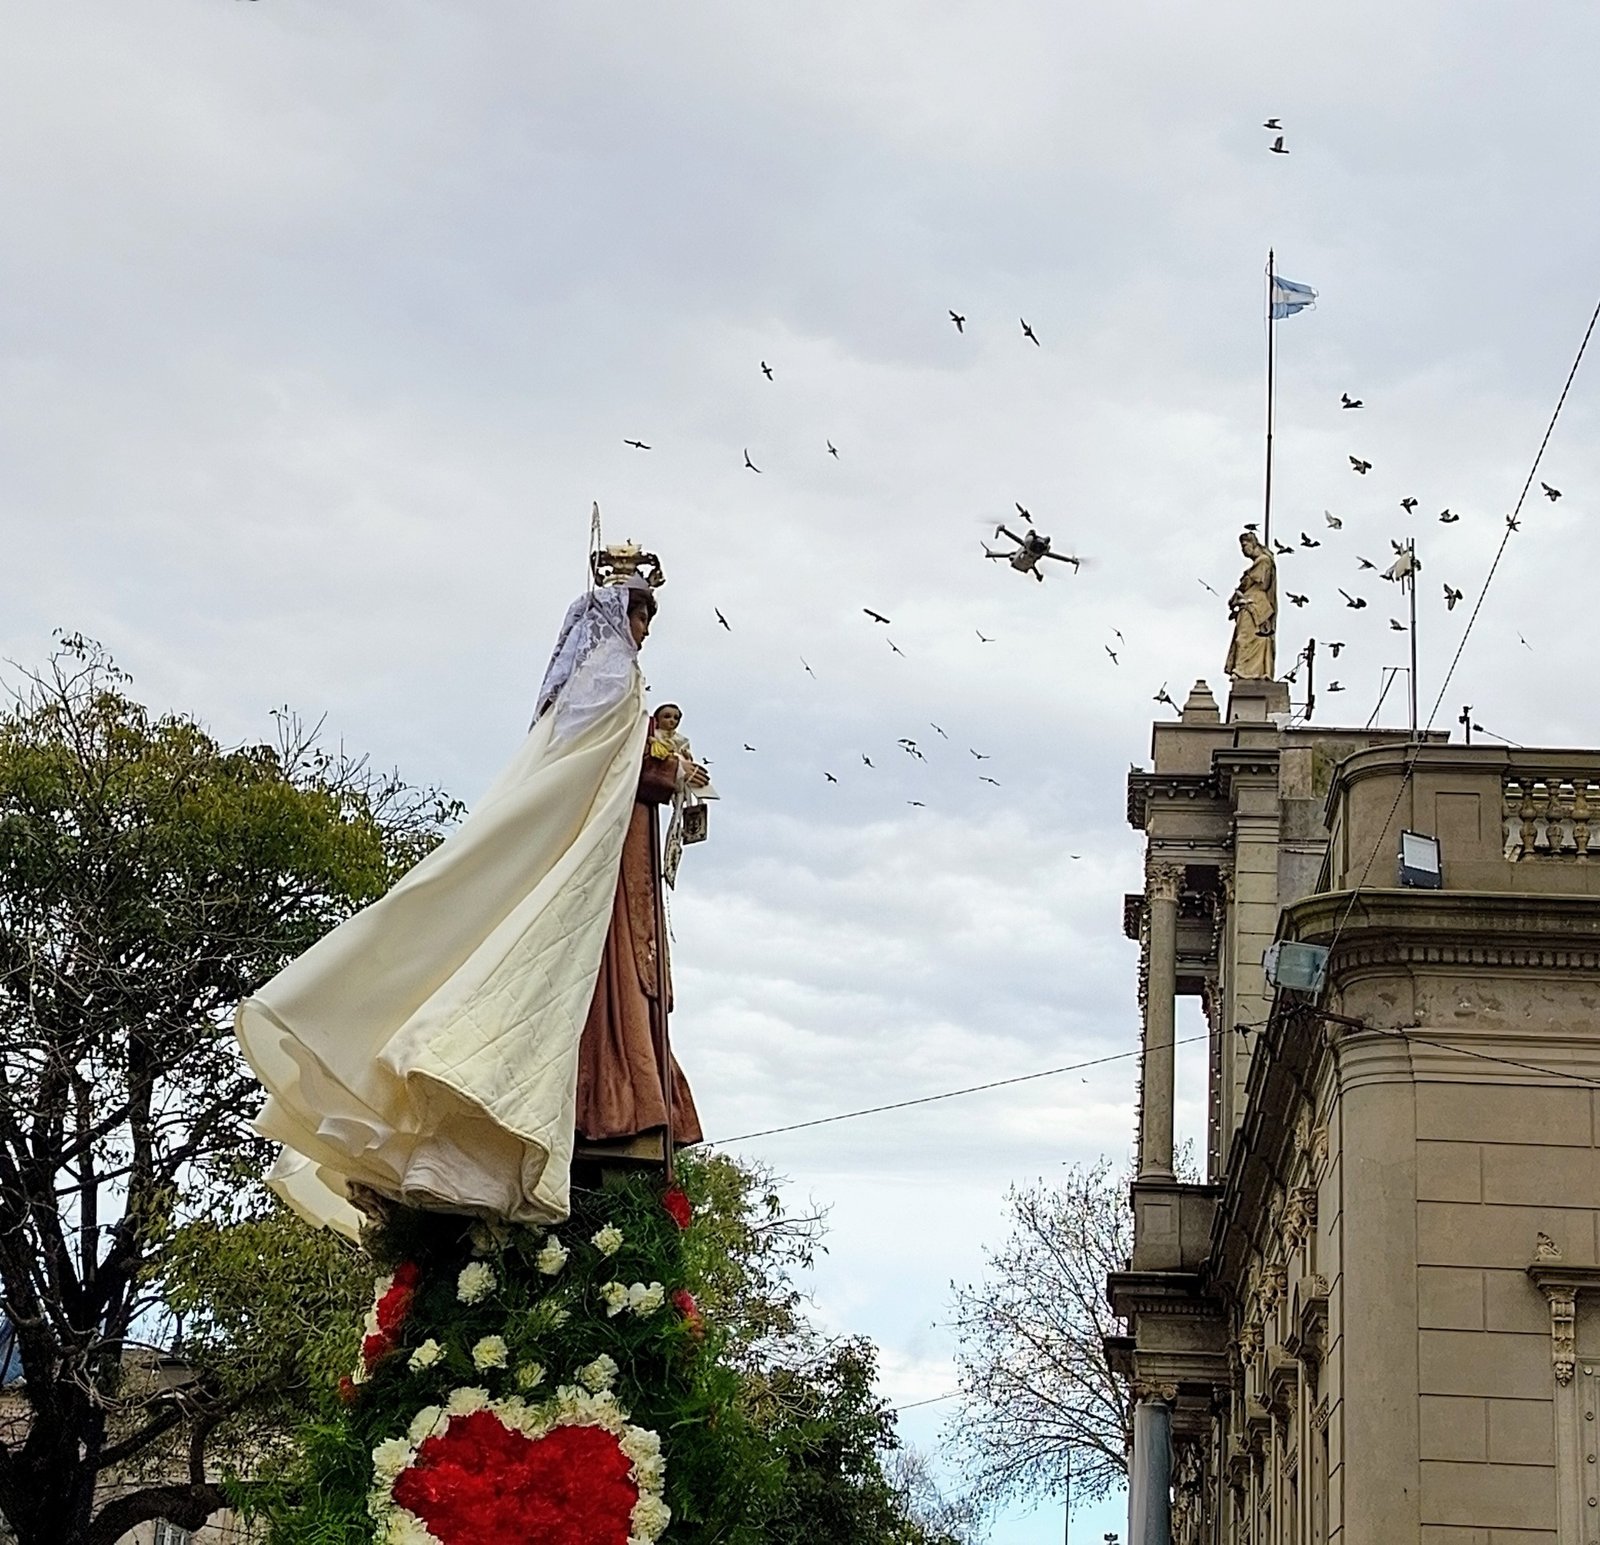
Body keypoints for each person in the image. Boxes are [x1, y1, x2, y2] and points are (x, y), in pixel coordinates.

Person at [235, 575, 700, 1238]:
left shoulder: (599, 683)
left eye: (649, 617)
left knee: (580, 984)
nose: (645, 630)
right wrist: (667, 772)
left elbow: (611, 764)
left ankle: (590, 1099)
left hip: (609, 866)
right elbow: (604, 763)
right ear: (614, 616)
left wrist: (661, 772)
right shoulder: (608, 680)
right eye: (640, 615)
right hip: (587, 859)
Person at [1225, 530, 1277, 680]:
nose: (1243, 550)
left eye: (1244, 545)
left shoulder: (1263, 561)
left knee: (1245, 637)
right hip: (1253, 604)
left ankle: (1243, 671)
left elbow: (1248, 582)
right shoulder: (1261, 562)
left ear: (1253, 544)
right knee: (1250, 637)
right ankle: (1250, 671)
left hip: (1255, 604)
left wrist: (1234, 597)